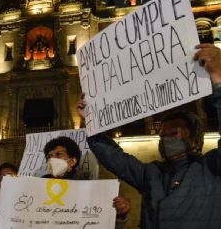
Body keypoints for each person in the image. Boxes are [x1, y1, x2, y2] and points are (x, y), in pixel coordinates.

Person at [76, 44, 221, 228]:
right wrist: (89, 121)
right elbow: (113, 157)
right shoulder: (150, 173)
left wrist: (218, 79)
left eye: (173, 132)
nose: (166, 138)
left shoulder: (212, 167)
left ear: (195, 140)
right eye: (162, 135)